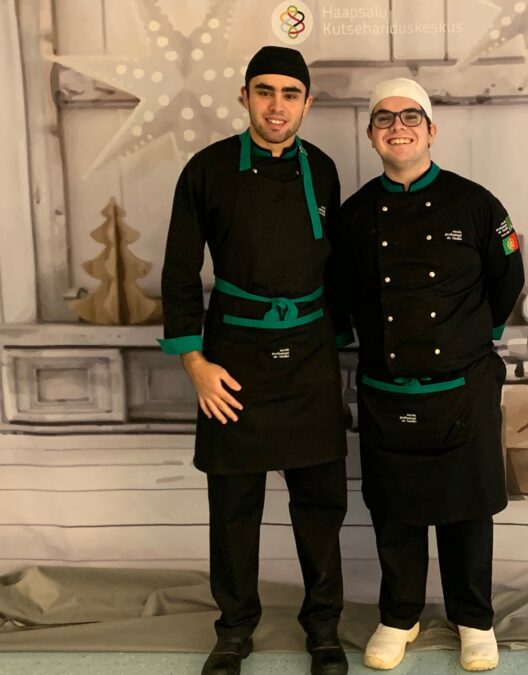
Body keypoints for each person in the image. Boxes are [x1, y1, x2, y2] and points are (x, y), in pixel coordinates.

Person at [159, 46, 352, 675]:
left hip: (310, 357)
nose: (276, 105)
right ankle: (235, 630)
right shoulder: (207, 169)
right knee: (234, 506)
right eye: (264, 91)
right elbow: (179, 272)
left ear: (307, 103)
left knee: (320, 504)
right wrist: (195, 363)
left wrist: (342, 349)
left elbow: (336, 271)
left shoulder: (323, 170)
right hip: (233, 359)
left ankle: (323, 628)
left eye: (289, 94)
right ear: (244, 96)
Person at [336, 78, 525, 672]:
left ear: (431, 130)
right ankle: (400, 616)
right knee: (395, 510)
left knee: (468, 509)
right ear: (371, 134)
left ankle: (474, 620)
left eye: (410, 117)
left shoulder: (476, 204)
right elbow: (338, 292)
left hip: (464, 386)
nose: (398, 127)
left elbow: (508, 278)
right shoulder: (353, 214)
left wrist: (473, 338)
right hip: (385, 387)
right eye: (385, 118)